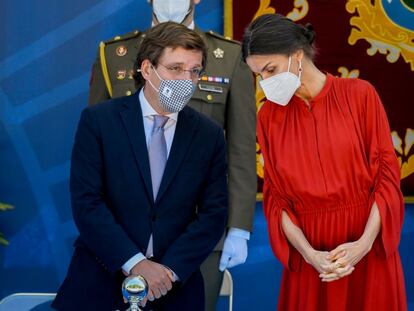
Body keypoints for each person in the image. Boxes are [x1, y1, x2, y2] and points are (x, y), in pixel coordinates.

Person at [89, 1, 257, 309]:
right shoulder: (114, 56)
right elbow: (97, 155)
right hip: (127, 235)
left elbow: (242, 149)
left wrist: (239, 227)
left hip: (201, 234)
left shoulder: (230, 58)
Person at [52, 22, 228, 311]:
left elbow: (213, 215)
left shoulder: (208, 135)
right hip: (100, 282)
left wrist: (166, 272)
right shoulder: (99, 122)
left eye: (194, 71)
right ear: (147, 70)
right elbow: (87, 203)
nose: (187, 79)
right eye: (175, 68)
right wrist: (136, 263)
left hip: (174, 290)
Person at [242, 13, 407, 311]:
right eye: (258, 75)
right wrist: (310, 255)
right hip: (312, 258)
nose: (265, 82)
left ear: (297, 54)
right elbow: (276, 198)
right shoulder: (268, 117)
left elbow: (386, 178)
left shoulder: (361, 95)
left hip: (366, 248)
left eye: (270, 70)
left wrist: (364, 244)